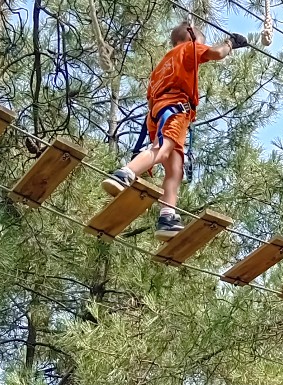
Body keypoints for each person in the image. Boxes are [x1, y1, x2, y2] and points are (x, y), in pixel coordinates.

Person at [104, 20, 248, 239]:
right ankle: (125, 173)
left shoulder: (163, 65)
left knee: (175, 169)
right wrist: (230, 43)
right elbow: (216, 53)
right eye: (200, 42)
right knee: (162, 149)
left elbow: (152, 99)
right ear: (191, 39)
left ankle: (167, 216)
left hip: (158, 113)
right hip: (175, 109)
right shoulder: (188, 48)